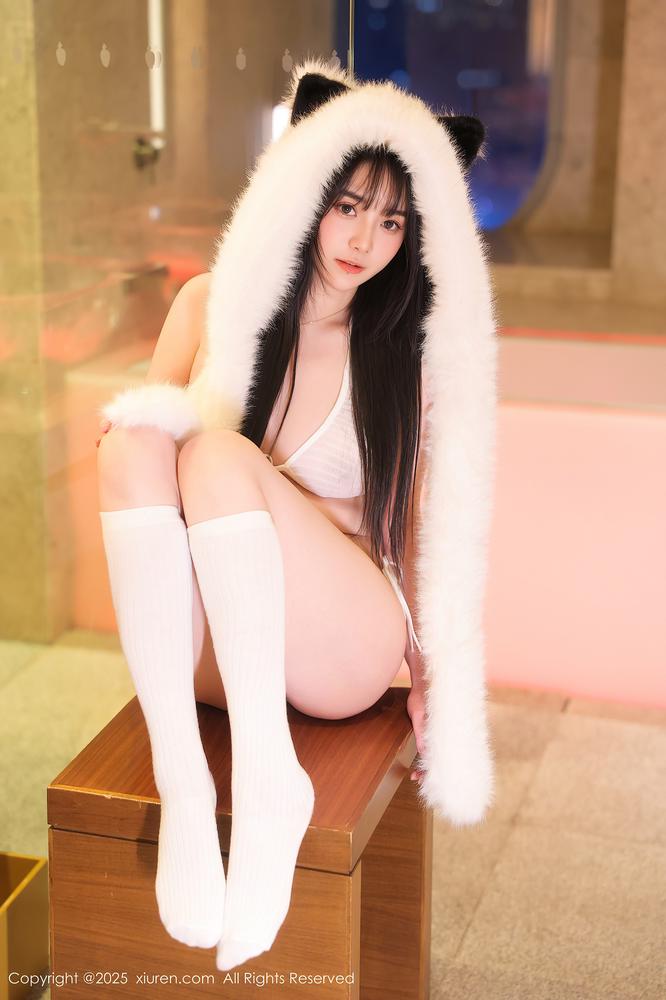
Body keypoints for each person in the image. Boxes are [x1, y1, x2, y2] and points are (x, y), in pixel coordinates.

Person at [96, 57, 498, 973]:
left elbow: (416, 528)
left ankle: (268, 780)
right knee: (134, 437)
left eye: (392, 221)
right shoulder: (207, 306)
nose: (364, 239)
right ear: (305, 190)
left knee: (215, 454)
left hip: (337, 642)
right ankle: (183, 781)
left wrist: (430, 671)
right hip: (215, 645)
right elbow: (141, 475)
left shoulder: (399, 353)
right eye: (349, 205)